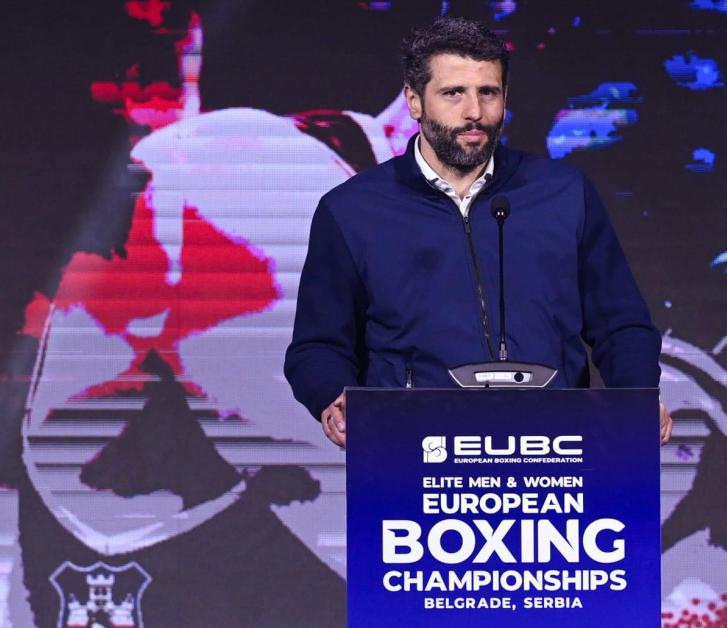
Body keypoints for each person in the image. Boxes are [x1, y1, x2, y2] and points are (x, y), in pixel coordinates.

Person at [284, 16, 672, 448]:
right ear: (414, 100)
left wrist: (638, 395)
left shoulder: (564, 194)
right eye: (454, 93)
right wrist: (333, 396)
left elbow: (622, 324)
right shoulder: (352, 210)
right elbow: (317, 347)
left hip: (554, 448)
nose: (474, 112)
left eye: (488, 92)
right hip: (411, 449)